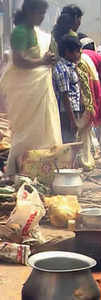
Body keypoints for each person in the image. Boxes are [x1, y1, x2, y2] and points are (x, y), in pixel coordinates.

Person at [0, 0, 62, 175]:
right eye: (39, 13)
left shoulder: (38, 34)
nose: (42, 17)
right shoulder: (19, 32)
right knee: (26, 134)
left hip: (39, 88)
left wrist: (49, 59)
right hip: (26, 92)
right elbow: (19, 61)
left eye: (43, 14)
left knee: (43, 132)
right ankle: (17, 171)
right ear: (29, 12)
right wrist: (42, 61)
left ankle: (44, 172)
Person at [53, 35, 82, 143]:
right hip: (66, 113)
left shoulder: (71, 67)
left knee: (73, 141)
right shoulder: (62, 69)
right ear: (67, 52)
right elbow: (65, 96)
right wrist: (72, 120)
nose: (79, 54)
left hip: (73, 110)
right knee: (69, 142)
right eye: (77, 51)